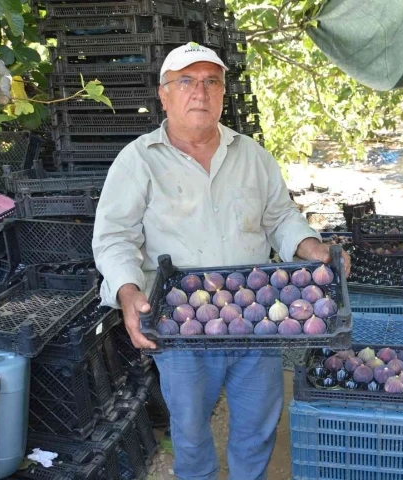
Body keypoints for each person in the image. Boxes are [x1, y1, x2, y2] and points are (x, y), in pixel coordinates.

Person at [92, 42, 350, 480]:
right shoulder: (137, 161)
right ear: (164, 94)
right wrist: (127, 290)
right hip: (180, 322)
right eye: (186, 82)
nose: (201, 92)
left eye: (212, 82)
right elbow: (115, 237)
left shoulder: (252, 155)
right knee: (190, 430)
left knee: (257, 424)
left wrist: (311, 247)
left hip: (256, 318)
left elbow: (280, 217)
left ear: (223, 93)